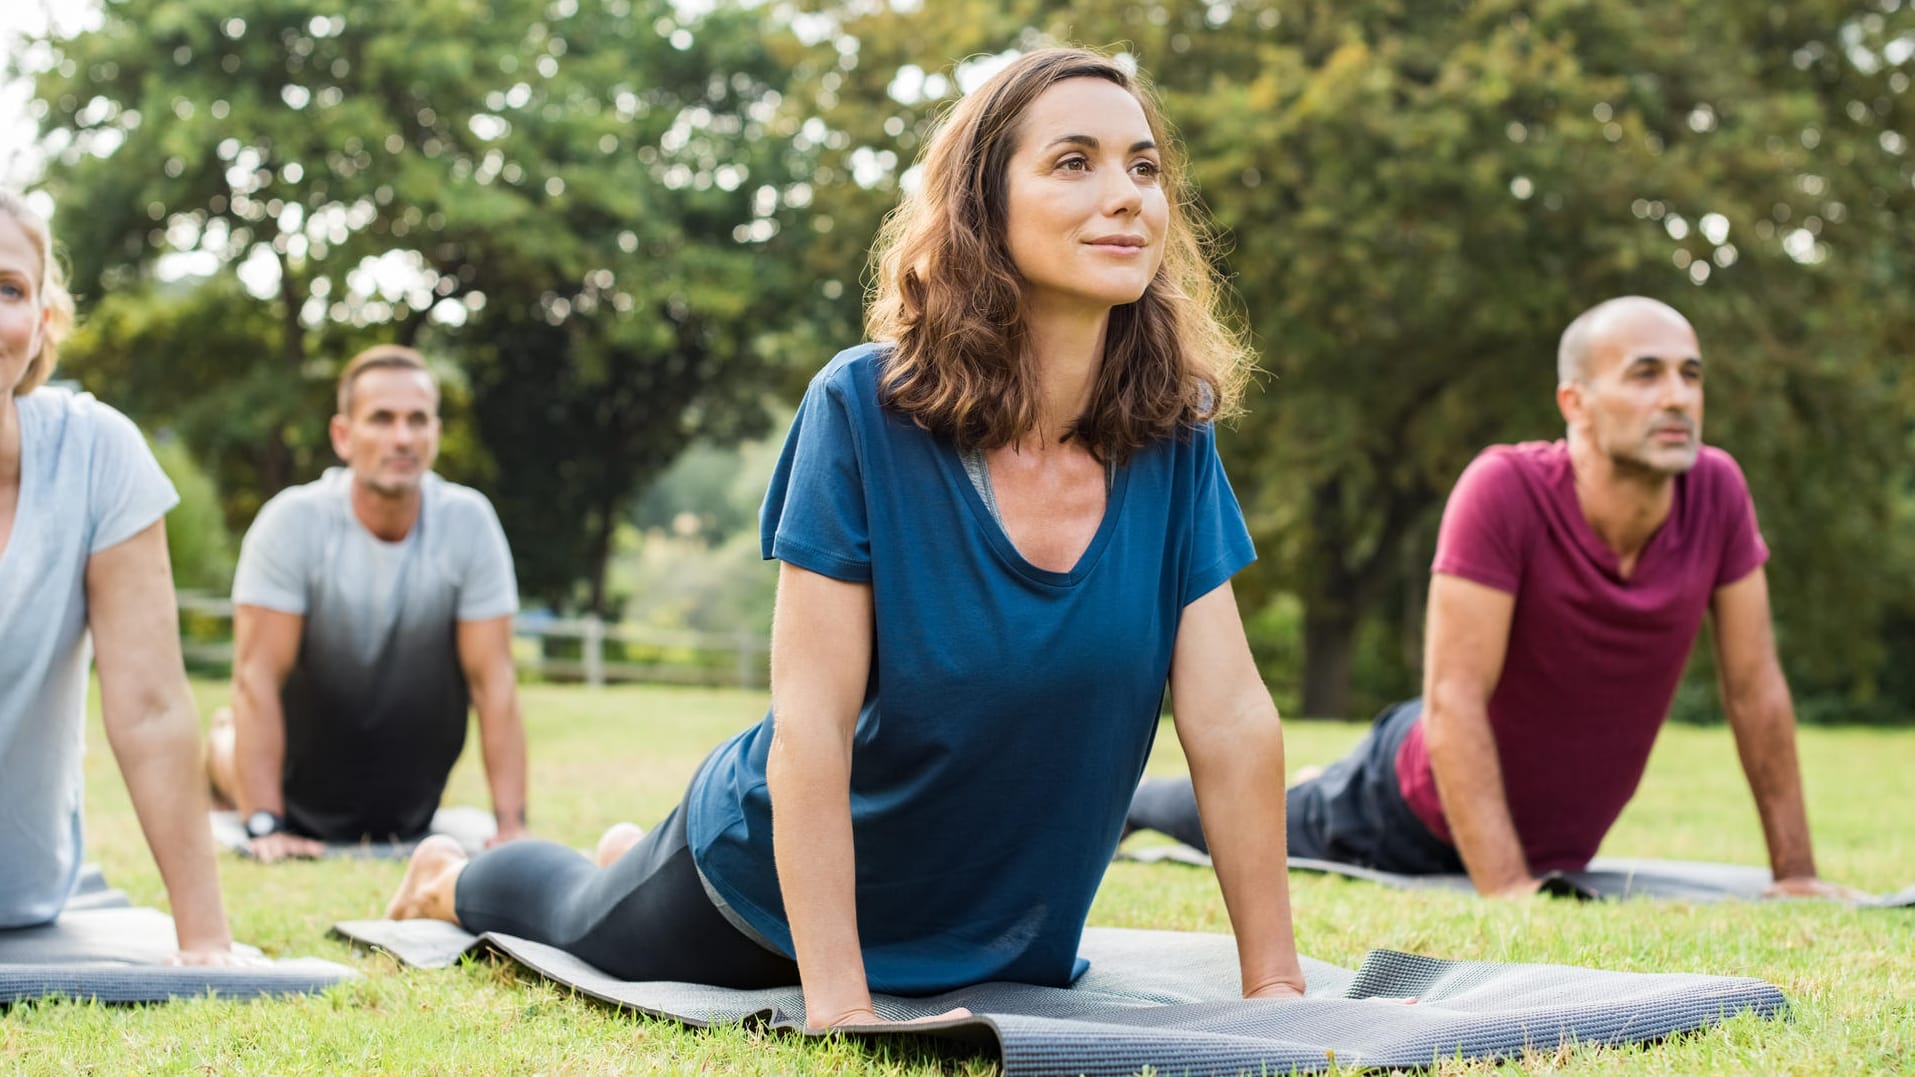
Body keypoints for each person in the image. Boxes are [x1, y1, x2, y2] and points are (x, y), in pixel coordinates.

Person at [386, 46, 1305, 1027]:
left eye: (1144, 166)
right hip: (763, 900)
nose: (1125, 194)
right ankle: (450, 877)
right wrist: (839, 1003)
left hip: (997, 930)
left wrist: (1277, 988)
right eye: (1073, 162)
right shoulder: (864, 408)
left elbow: (1229, 719)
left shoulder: (1170, 436)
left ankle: (623, 850)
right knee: (572, 912)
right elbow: (811, 726)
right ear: (981, 205)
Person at [1128, 297, 1857, 900]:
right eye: (1645, 375)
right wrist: (1509, 888)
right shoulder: (1504, 488)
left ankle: (1324, 773)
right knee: (1249, 819)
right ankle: (1137, 803)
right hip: (1404, 808)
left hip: (1542, 828)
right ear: (1575, 401)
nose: (1676, 396)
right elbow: (1452, 699)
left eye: (1689, 375)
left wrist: (1795, 872)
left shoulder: (1718, 490)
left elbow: (1755, 687)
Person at [0, 190, 245, 961]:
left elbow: (150, 705)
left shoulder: (97, 453)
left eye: (7, 289)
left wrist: (205, 939)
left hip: (19, 893)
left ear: (42, 320)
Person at [204, 344, 529, 861]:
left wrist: (511, 825)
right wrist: (264, 823)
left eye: (417, 420)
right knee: (229, 742)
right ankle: (223, 745)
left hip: (405, 802)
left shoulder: (470, 523)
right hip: (296, 783)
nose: (402, 437)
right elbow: (257, 677)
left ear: (436, 434)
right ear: (343, 436)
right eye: (381, 419)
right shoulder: (291, 523)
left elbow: (495, 681)